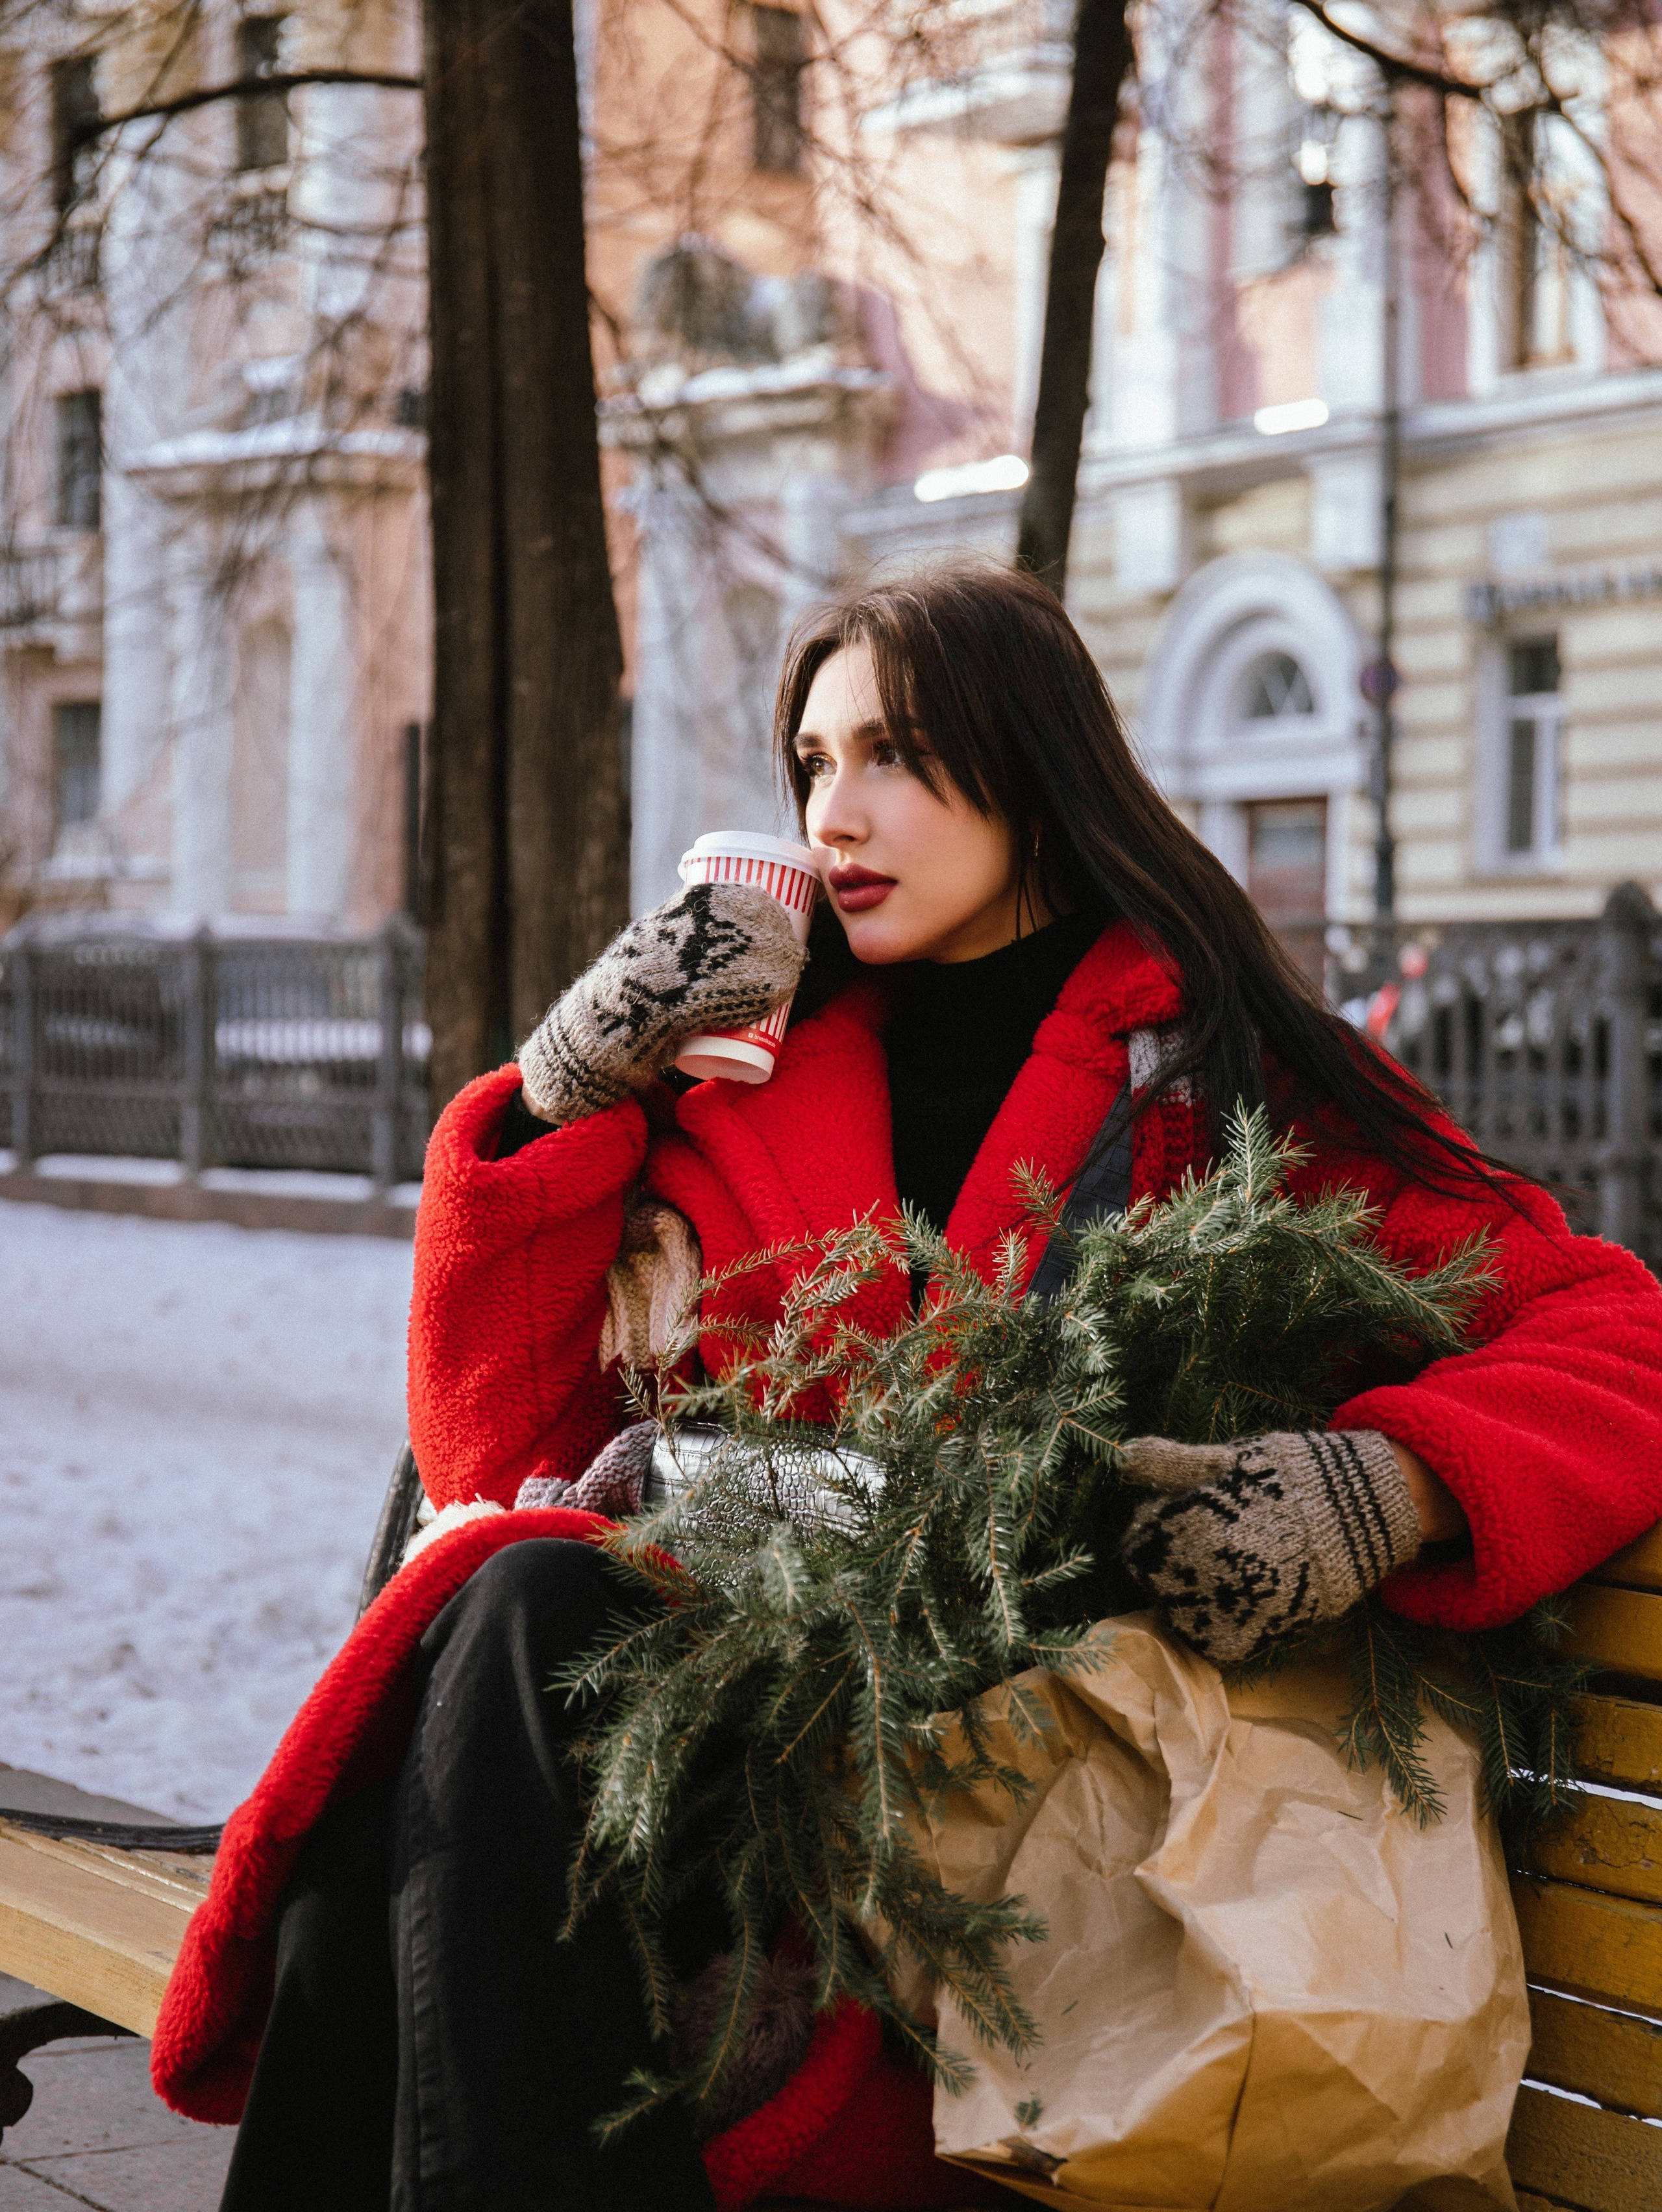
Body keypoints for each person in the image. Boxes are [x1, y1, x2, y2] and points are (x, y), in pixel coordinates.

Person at [158, 562, 1662, 2211]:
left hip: (1017, 1857)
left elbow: (1608, 1326)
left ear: (1029, 766)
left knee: (452, 1743)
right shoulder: (744, 1066)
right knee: (421, 1773)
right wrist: (566, 1088)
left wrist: (1392, 1482)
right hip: (698, 1798)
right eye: (810, 763)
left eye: (890, 754)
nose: (836, 813)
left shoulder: (1229, 1079)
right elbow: (489, 1452)